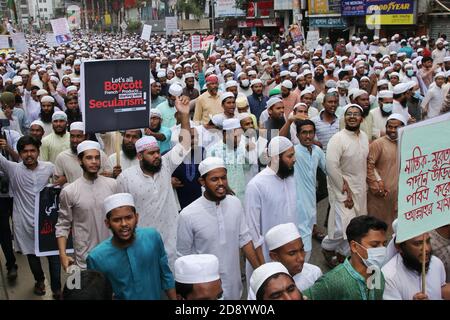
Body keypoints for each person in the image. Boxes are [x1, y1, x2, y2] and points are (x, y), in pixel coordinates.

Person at [117, 95, 191, 269]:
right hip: (141, 243)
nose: (157, 156)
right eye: (151, 153)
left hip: (171, 240)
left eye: (158, 151)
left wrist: (185, 115)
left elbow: (185, 144)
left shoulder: (165, 165)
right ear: (140, 156)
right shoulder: (125, 178)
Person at [177, 157, 261, 300]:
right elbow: (182, 256)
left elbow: (245, 240)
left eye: (223, 178)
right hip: (205, 292)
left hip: (234, 286)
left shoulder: (235, 204)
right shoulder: (187, 214)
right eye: (214, 179)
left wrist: (261, 273)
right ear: (202, 182)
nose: (221, 183)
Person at [0, 135, 61, 298]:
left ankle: (56, 288)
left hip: (47, 222)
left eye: (32, 150)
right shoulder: (13, 169)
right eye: (25, 151)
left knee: (54, 256)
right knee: (32, 255)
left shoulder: (49, 167)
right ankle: (39, 281)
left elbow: (62, 179)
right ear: (19, 153)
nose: (29, 154)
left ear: (38, 152)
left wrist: (58, 183)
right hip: (24, 223)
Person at [87, 193, 176, 300]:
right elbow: (97, 293)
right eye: (117, 220)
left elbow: (166, 276)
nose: (124, 224)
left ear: (136, 218)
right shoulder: (96, 257)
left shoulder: (152, 238)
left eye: (129, 217)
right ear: (107, 223)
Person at [56, 140, 117, 270]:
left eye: (97, 158)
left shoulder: (112, 185)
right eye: (89, 158)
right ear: (80, 160)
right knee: (84, 289)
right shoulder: (69, 191)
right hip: (84, 257)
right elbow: (63, 224)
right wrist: (63, 255)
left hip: (113, 253)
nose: (94, 161)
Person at [322, 104, 369, 268]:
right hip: (342, 188)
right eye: (349, 114)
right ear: (344, 117)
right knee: (342, 227)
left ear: (361, 119)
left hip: (361, 189)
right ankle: (326, 247)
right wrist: (344, 192)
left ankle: (342, 257)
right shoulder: (338, 139)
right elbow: (332, 167)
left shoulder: (364, 136)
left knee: (355, 228)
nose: (352, 116)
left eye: (356, 114)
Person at [244, 136, 297, 277]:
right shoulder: (256, 185)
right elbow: (253, 231)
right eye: (290, 156)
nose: (294, 159)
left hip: (289, 254)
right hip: (266, 259)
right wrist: (264, 268)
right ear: (275, 158)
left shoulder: (290, 178)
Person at [304, 215, 387, 300]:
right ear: (354, 246)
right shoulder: (332, 282)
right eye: (375, 245)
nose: (382, 250)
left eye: (384, 244)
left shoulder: (378, 275)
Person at [280, 119, 326, 259]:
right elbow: (278, 140)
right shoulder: (293, 151)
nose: (308, 136)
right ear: (298, 135)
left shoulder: (317, 151)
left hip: (311, 201)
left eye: (311, 132)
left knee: (304, 235)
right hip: (296, 202)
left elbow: (329, 169)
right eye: (304, 133)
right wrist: (289, 122)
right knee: (300, 238)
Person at [247, 223, 322, 299]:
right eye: (292, 253)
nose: (301, 258)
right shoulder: (261, 283)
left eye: (301, 249)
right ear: (274, 256)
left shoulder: (314, 273)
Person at [367, 114, 406, 235]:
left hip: (400, 196)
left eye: (396, 127)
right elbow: (369, 166)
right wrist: (376, 186)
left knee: (396, 229)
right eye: (390, 127)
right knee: (377, 228)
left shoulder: (407, 143)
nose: (392, 130)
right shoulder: (378, 144)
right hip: (381, 196)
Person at [382, 232, 448, 300]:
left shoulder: (436, 263)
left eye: (428, 241)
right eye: (418, 244)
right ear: (399, 247)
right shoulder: (388, 276)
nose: (426, 249)